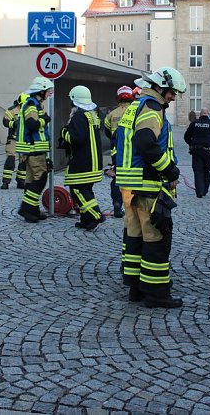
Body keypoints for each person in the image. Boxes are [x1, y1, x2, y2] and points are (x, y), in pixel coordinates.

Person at [116, 66, 185, 308]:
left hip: (130, 185)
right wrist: (170, 170)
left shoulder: (135, 105)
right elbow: (145, 142)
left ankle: (136, 288)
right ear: (160, 87)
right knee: (157, 238)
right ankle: (156, 293)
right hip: (147, 186)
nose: (173, 98)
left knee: (135, 238)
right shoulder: (152, 108)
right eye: (172, 93)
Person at [61, 85, 105, 231]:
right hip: (93, 161)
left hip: (82, 161)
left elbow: (77, 139)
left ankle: (95, 215)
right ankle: (86, 220)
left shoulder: (79, 116)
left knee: (77, 191)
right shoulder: (91, 115)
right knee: (87, 190)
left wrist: (64, 134)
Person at [15, 76, 54, 222]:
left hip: (32, 149)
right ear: (41, 91)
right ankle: (26, 209)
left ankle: (33, 210)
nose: (49, 94)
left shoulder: (34, 104)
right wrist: (45, 119)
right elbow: (32, 125)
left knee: (32, 181)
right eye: (48, 91)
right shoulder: (32, 105)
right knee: (40, 179)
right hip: (34, 149)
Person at [103, 85, 135, 217]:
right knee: (132, 178)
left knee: (116, 178)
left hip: (116, 152)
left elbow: (106, 131)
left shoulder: (111, 114)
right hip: (132, 151)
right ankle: (132, 206)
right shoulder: (135, 112)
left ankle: (117, 203)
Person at [183, 108, 210, 198]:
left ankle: (199, 191)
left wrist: (191, 144)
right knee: (206, 171)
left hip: (196, 151)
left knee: (198, 171)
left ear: (200, 114)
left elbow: (186, 137)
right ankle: (204, 190)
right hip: (209, 151)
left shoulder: (194, 124)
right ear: (208, 114)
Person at [1, 94, 27, 190]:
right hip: (13, 139)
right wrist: (14, 123)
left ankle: (21, 181)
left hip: (24, 140)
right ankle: (6, 182)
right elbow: (5, 122)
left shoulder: (30, 110)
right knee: (10, 160)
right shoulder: (12, 110)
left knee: (23, 161)